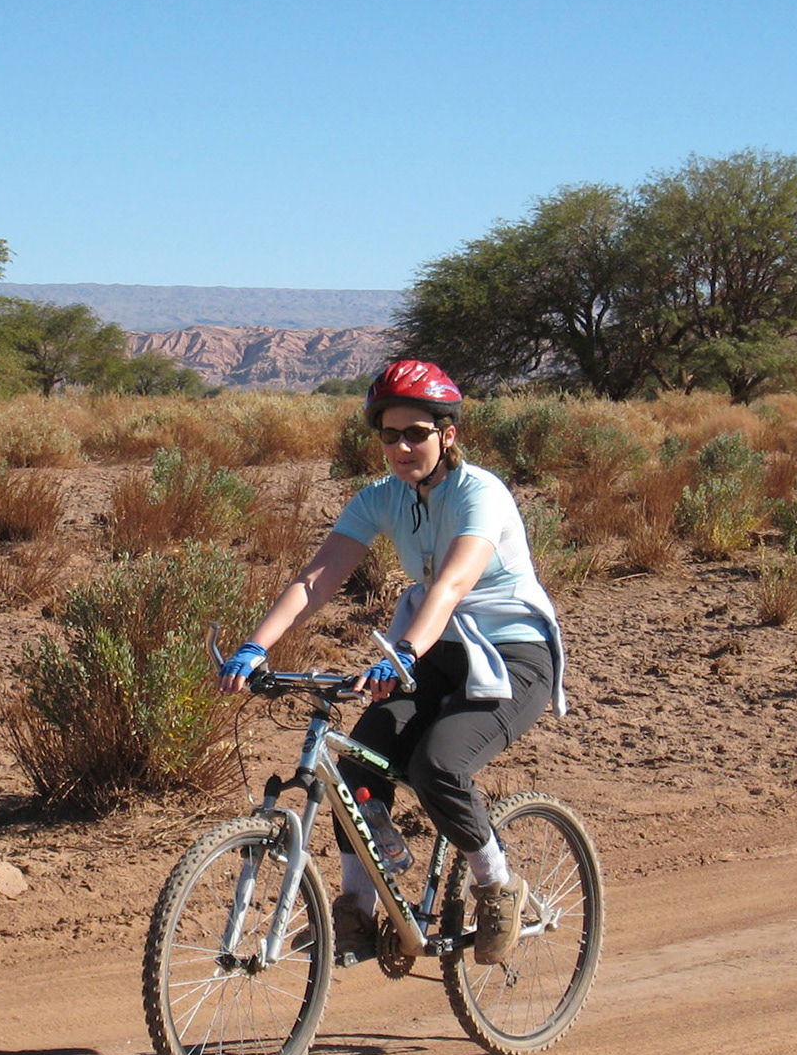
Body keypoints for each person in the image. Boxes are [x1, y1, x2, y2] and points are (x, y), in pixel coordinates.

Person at [217, 360, 566, 966]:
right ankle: (356, 909)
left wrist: (403, 650)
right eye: (389, 435)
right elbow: (316, 579)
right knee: (358, 757)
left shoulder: (480, 493)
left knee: (438, 765)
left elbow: (453, 584)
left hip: (512, 656)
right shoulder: (382, 498)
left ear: (447, 434)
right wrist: (258, 645)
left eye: (417, 434)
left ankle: (497, 884)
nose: (401, 447)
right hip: (436, 650)